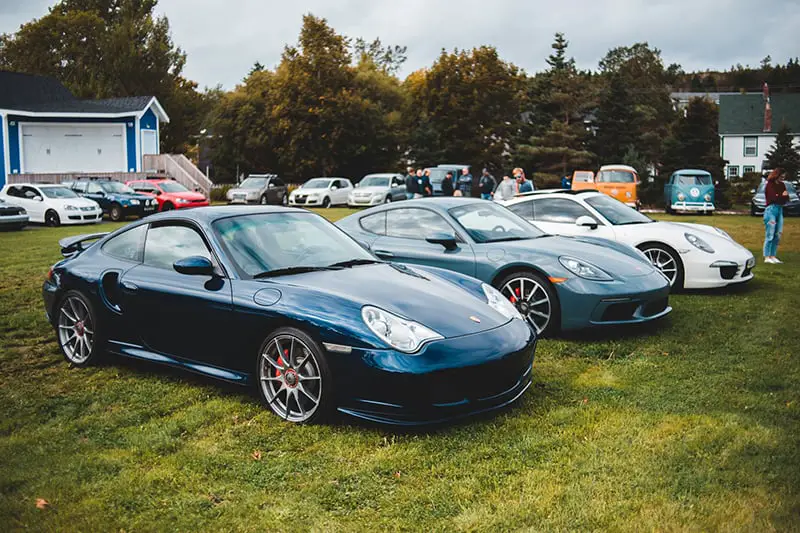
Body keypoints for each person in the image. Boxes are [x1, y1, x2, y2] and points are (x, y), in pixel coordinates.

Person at [763, 168, 789, 264]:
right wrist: (781, 196)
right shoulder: (770, 185)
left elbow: (786, 198)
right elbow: (773, 198)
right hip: (771, 210)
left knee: (778, 234)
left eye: (784, 177)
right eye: (781, 176)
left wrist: (781, 196)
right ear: (777, 175)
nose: (783, 178)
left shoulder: (782, 185)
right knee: (770, 233)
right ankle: (767, 256)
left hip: (779, 209)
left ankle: (773, 255)